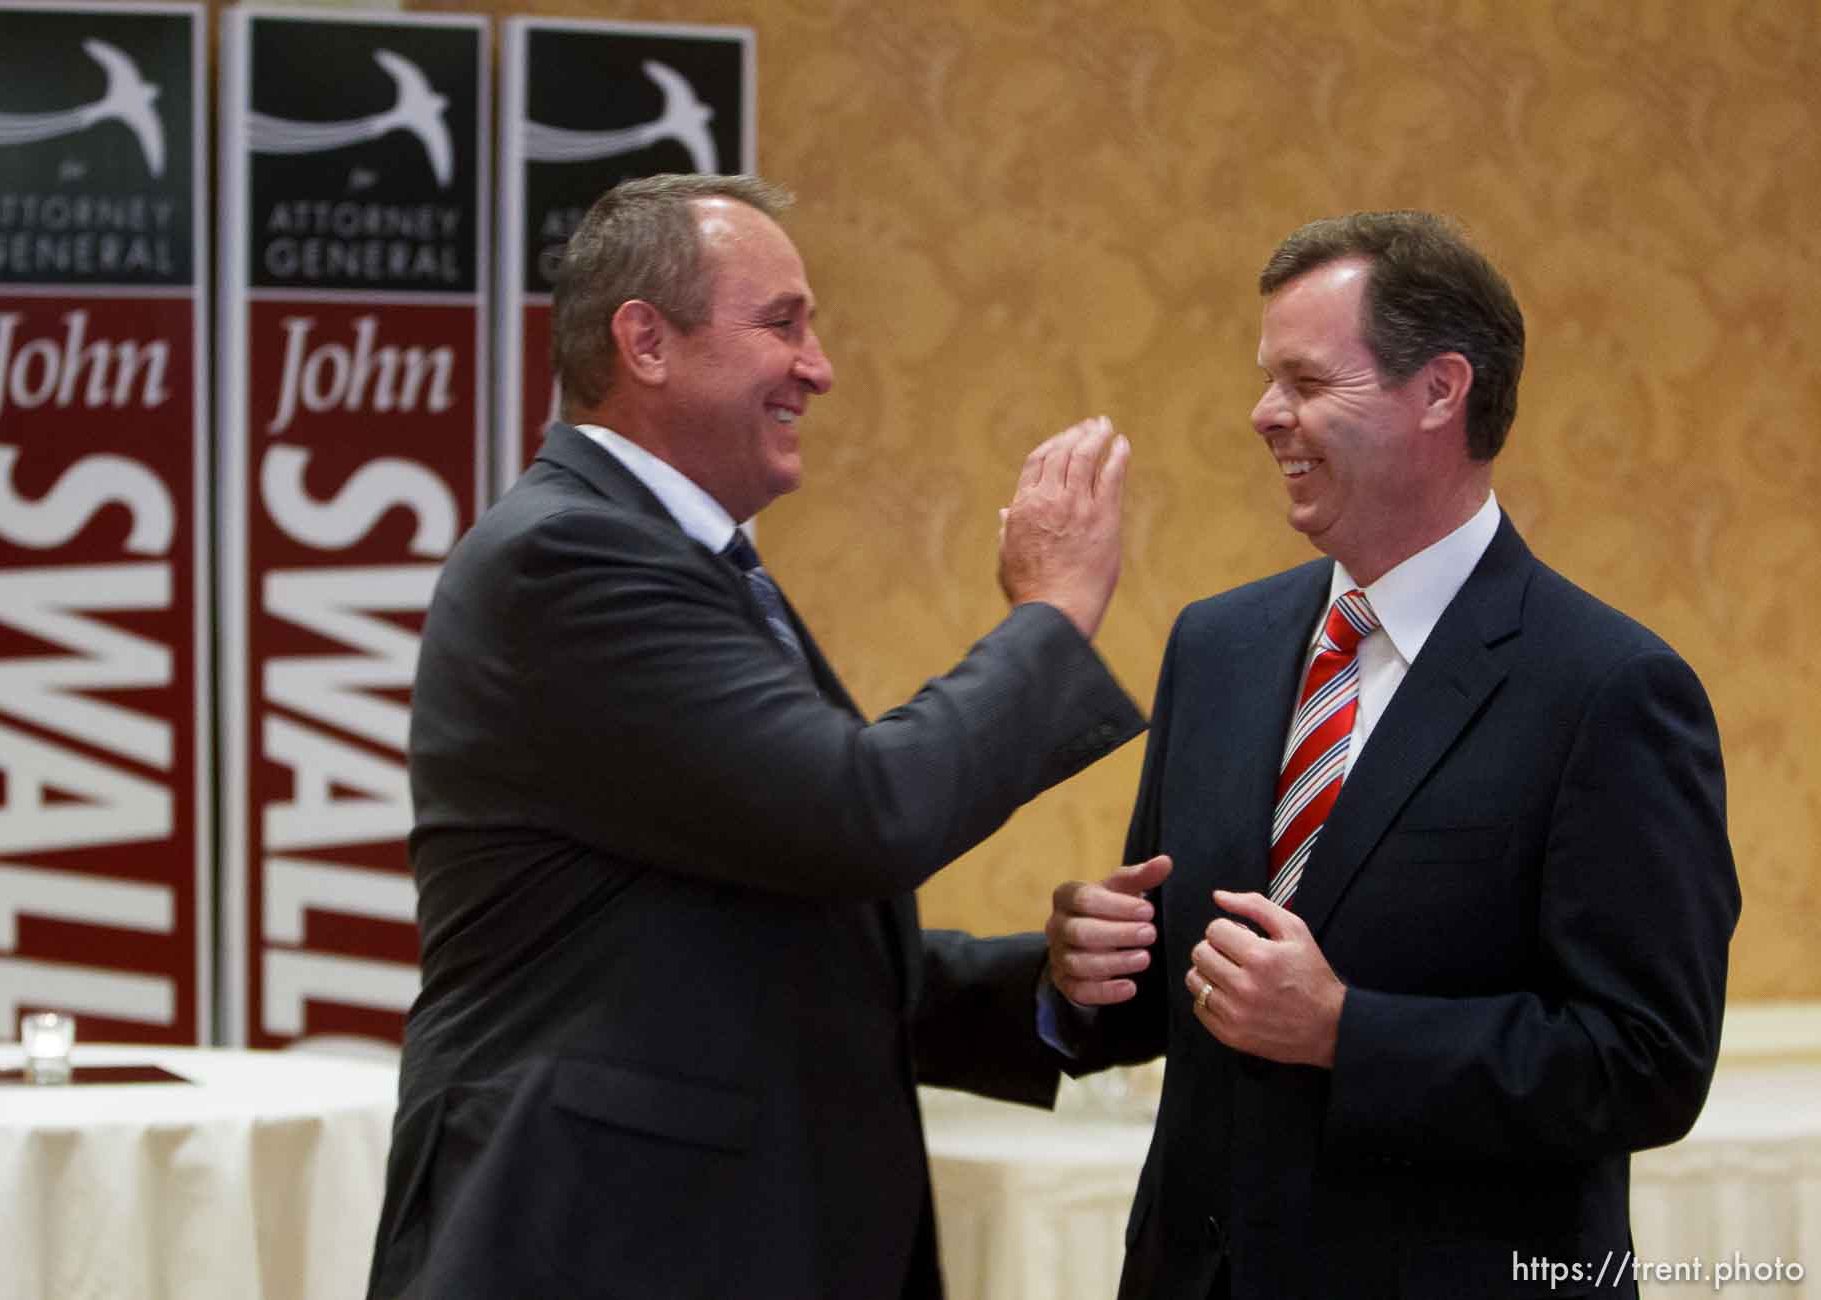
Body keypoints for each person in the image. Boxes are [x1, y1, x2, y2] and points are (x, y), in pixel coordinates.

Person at [366, 173, 1146, 1300]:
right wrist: (1051, 612)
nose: (819, 366)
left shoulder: (676, 562)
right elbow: (862, 813)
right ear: (645, 340)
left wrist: (1052, 989)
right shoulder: (569, 558)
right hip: (603, 1245)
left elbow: (767, 941)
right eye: (782, 323)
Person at [1043, 211, 1740, 1299]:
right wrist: (1088, 966)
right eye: (1268, 377)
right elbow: (1177, 988)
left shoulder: (1609, 689)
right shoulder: (1215, 646)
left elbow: (1646, 1064)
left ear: (1440, 390)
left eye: (1307, 380)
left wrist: (1347, 1033)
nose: (1264, 413)